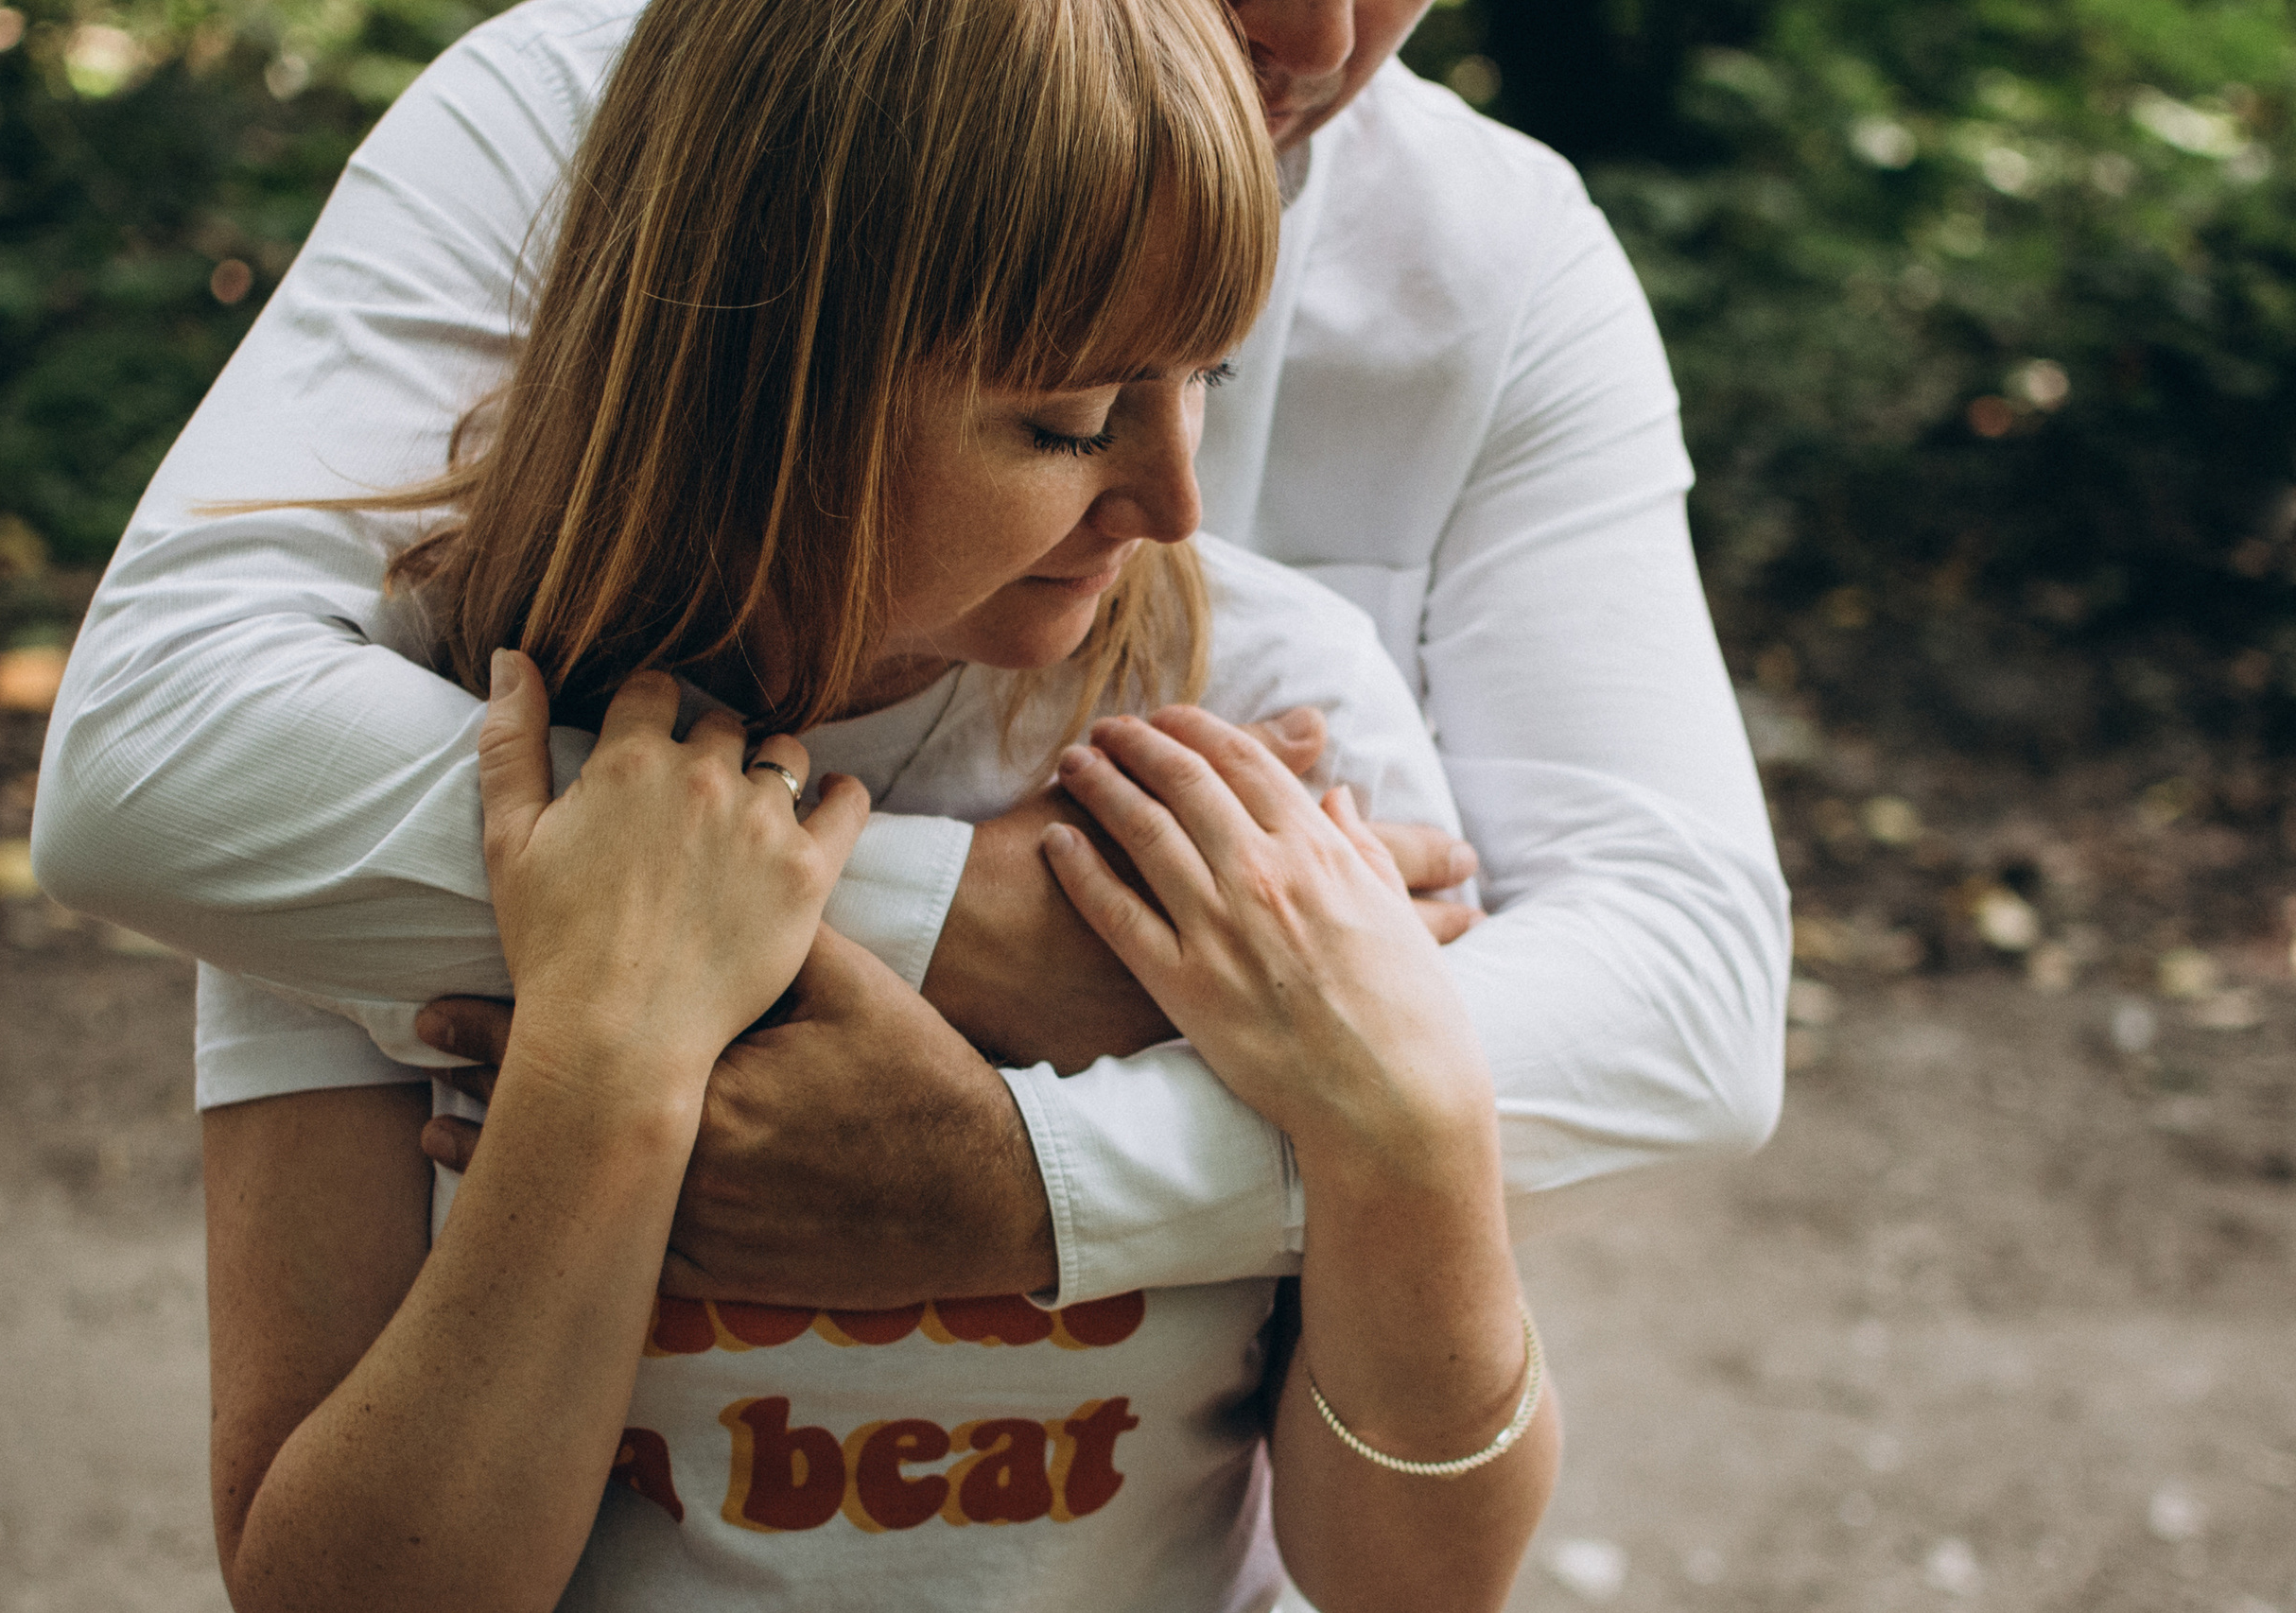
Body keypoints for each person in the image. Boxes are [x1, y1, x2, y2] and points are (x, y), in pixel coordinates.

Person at [33, 0, 1786, 1310]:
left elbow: (1684, 1001)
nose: (1321, 39)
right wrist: (968, 929)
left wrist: (1035, 1183)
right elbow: (160, 759)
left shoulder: (1506, 261)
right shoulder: (594, 106)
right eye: (1065, 414)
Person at [177, 1, 1555, 1606]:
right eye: (1066, 420)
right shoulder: (405, 728)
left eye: (1208, 373)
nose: (1175, 500)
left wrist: (1411, 1140)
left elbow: (1420, 1583)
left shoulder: (1264, 723)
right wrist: (607, 1073)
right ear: (762, 369)